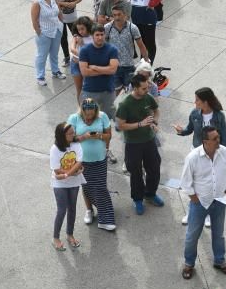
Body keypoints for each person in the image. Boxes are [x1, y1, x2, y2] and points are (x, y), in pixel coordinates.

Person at [180, 125, 226, 280]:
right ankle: (189, 264)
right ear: (205, 141)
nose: (219, 140)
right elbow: (186, 183)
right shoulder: (193, 157)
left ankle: (220, 261)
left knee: (219, 234)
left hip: (219, 202)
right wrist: (195, 200)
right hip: (199, 204)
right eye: (215, 138)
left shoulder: (224, 152)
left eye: (218, 137)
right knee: (192, 235)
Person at [173, 86, 226, 225]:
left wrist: (224, 156)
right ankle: (192, 212)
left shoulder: (219, 116)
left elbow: (224, 138)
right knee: (193, 184)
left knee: (210, 185)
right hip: (196, 153)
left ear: (206, 102)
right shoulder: (195, 114)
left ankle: (208, 214)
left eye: (197, 100)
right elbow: (189, 129)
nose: (195, 102)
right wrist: (181, 131)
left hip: (213, 155)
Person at [116, 73, 163, 215]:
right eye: (143, 88)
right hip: (133, 143)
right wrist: (139, 124)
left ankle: (150, 194)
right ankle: (138, 199)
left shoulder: (147, 97)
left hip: (149, 140)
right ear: (135, 88)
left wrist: (154, 122)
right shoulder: (125, 103)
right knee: (135, 172)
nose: (146, 90)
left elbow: (156, 111)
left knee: (154, 168)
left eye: (147, 87)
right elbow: (121, 125)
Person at [68, 98, 115, 231]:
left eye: (91, 113)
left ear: (95, 110)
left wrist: (99, 136)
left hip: (100, 158)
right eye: (86, 113)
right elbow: (68, 138)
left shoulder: (102, 116)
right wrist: (84, 137)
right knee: (86, 186)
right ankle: (89, 210)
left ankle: (105, 218)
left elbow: (109, 135)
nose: (89, 116)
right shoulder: (74, 118)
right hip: (81, 160)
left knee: (100, 186)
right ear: (82, 111)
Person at [50, 122, 86, 251]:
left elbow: (79, 162)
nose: (73, 135)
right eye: (70, 133)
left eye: (73, 132)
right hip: (59, 184)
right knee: (62, 210)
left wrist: (68, 174)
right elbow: (56, 171)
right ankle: (56, 238)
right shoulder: (55, 149)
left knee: (72, 208)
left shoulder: (76, 144)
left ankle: (70, 234)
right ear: (62, 135)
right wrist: (71, 173)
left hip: (73, 182)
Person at [124, 0, 166, 64]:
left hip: (148, 19)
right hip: (137, 19)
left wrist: (152, 4)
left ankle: (148, 66)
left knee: (150, 44)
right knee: (142, 43)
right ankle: (143, 63)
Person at [104, 3, 148, 94]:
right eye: (114, 15)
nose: (117, 17)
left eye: (119, 14)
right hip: (114, 66)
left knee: (130, 92)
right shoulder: (107, 28)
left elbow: (141, 46)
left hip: (128, 66)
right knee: (116, 92)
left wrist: (146, 62)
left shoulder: (133, 28)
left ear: (125, 15)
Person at [79, 24, 119, 119]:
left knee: (107, 120)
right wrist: (106, 70)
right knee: (88, 119)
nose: (100, 37)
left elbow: (113, 70)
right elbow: (85, 72)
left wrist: (95, 67)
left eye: (102, 34)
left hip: (108, 91)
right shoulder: (85, 50)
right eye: (97, 35)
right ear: (92, 36)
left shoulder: (112, 49)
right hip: (89, 91)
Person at [31, 0, 66, 86]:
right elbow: (34, 20)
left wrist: (61, 22)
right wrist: (39, 32)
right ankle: (40, 76)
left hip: (57, 30)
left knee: (54, 53)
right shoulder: (37, 3)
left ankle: (55, 71)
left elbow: (59, 11)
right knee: (42, 55)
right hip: (44, 33)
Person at [52, 0, 82, 67]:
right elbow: (54, 1)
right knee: (63, 38)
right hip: (60, 18)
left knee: (77, 36)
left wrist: (75, 2)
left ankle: (77, 56)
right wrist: (66, 4)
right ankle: (67, 58)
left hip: (73, 17)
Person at [70, 16, 93, 104]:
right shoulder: (77, 37)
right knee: (79, 88)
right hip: (76, 64)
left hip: (88, 65)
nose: (80, 31)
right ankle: (81, 109)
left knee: (88, 88)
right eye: (79, 29)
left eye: (82, 29)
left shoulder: (93, 37)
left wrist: (82, 47)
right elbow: (72, 48)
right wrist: (82, 55)